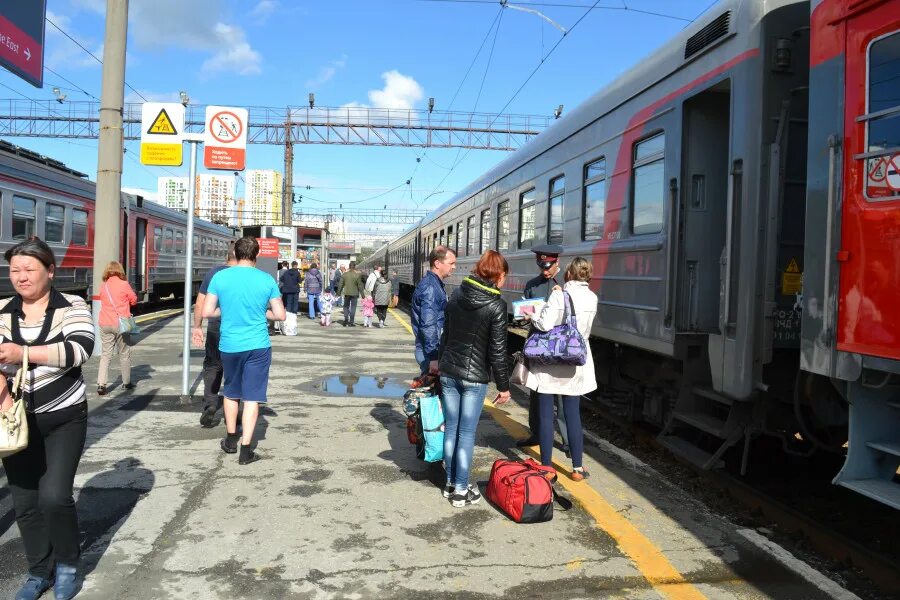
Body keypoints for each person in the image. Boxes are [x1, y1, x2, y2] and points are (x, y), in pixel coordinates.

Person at [0, 238, 95, 600]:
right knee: (24, 501)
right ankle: (39, 570)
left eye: (29, 269)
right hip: (14, 419)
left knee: (54, 496)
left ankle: (69, 564)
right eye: (15, 270)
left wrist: (22, 351)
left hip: (65, 416)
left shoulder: (72, 305)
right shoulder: (3, 310)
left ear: (50, 271)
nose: (21, 277)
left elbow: (79, 349)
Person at [202, 237, 286, 465]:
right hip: (258, 345)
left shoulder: (220, 277)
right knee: (252, 397)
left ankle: (230, 439)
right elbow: (280, 315)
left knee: (230, 391)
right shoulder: (266, 279)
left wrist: (227, 311)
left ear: (236, 253)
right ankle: (246, 449)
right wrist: (262, 314)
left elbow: (208, 311)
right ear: (256, 255)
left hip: (229, 345)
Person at [438, 250, 511, 507]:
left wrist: (440, 364)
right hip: (474, 378)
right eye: (504, 276)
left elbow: (445, 334)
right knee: (467, 433)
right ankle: (461, 489)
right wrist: (504, 386)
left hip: (449, 373)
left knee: (451, 429)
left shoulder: (457, 294)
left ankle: (450, 482)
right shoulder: (496, 306)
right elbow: (498, 351)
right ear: (498, 275)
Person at [524, 257, 597, 481]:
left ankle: (546, 467)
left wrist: (532, 314)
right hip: (574, 362)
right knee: (573, 415)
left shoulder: (558, 294)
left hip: (551, 363)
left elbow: (545, 325)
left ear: (568, 275)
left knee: (546, 416)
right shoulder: (593, 297)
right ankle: (577, 468)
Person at [517, 243, 565, 449]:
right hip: (537, 344)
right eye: (542, 266)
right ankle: (536, 433)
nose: (545, 271)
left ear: (557, 262)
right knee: (536, 392)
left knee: (563, 396)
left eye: (549, 266)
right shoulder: (531, 285)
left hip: (561, 346)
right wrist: (522, 316)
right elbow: (522, 318)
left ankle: (567, 441)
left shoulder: (566, 284)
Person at [192, 242, 237, 428]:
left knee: (213, 366)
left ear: (227, 256)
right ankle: (235, 409)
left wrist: (197, 326)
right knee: (235, 369)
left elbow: (200, 302)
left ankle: (211, 405)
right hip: (238, 329)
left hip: (215, 328)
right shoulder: (245, 275)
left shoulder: (213, 273)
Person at [411, 246, 456, 374]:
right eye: (451, 263)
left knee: (431, 391)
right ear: (437, 263)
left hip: (429, 349)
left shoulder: (433, 284)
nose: (454, 267)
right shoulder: (430, 288)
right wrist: (434, 357)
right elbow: (428, 324)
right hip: (429, 351)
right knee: (431, 392)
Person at [96, 260, 137, 396]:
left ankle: (101, 384)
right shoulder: (124, 284)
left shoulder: (104, 286)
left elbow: (103, 300)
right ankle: (126, 383)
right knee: (124, 353)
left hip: (105, 323)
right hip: (121, 324)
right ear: (120, 270)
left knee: (106, 354)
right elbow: (134, 299)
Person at [337, 262, 364, 327]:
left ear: (349, 267)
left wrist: (338, 293)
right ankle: (351, 322)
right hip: (355, 293)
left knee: (346, 306)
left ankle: (346, 319)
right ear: (354, 267)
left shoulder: (344, 274)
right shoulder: (357, 275)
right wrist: (362, 294)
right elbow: (360, 285)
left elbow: (340, 284)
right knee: (353, 307)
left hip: (347, 293)